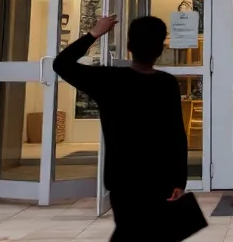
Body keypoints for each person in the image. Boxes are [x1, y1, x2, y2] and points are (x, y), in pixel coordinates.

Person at [53, 14, 189, 241]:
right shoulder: (166, 84)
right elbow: (176, 134)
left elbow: (61, 64)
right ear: (161, 49)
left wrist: (94, 33)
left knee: (127, 229)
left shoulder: (109, 80)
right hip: (159, 177)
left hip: (122, 177)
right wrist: (179, 180)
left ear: (129, 47)